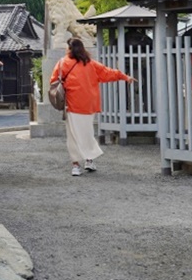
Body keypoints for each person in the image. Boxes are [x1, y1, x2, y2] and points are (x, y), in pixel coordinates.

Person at [51, 36, 133, 176]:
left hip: (72, 104)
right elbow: (108, 72)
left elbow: (53, 81)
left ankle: (76, 165)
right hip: (89, 105)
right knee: (87, 133)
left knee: (73, 136)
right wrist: (124, 77)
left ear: (70, 49)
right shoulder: (91, 64)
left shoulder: (63, 63)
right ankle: (89, 160)